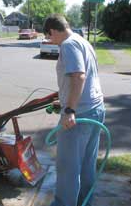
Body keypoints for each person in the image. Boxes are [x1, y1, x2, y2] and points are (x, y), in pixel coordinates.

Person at [43, 14, 105, 206]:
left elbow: (78, 76)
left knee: (68, 167)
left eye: (49, 37)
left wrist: (69, 109)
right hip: (96, 109)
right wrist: (63, 99)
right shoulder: (82, 41)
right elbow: (83, 78)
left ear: (53, 31)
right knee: (87, 164)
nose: (49, 41)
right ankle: (84, 202)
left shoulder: (68, 45)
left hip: (79, 116)